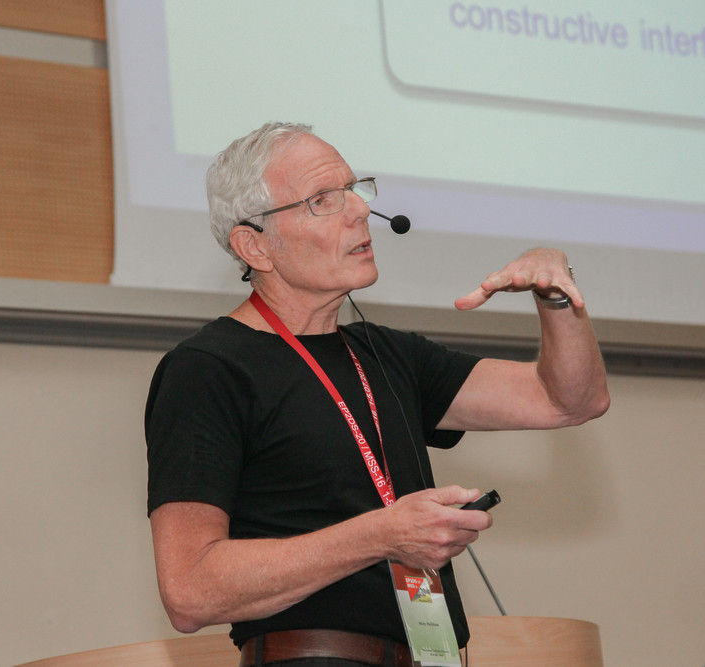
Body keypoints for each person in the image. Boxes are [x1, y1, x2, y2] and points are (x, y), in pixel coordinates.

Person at [144, 122, 609, 667]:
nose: (360, 210)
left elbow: (568, 401)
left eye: (353, 188)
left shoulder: (387, 355)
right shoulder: (209, 369)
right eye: (322, 199)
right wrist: (382, 535)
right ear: (256, 246)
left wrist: (557, 298)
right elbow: (189, 590)